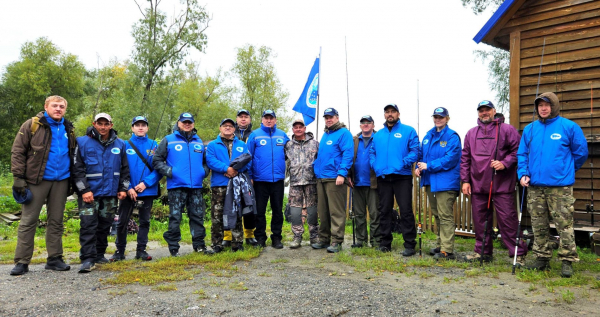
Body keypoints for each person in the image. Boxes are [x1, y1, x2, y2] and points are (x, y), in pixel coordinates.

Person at [517, 92, 588, 277]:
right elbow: (522, 154)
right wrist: (523, 173)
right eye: (540, 105)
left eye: (547, 105)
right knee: (538, 224)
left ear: (554, 106)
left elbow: (580, 153)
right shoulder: (530, 129)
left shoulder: (569, 127)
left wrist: (566, 171)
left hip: (560, 187)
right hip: (535, 187)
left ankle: (567, 260)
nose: (543, 108)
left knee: (564, 224)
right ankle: (542, 258)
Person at [9, 96, 76, 275]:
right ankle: (22, 261)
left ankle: (54, 258)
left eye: (62, 106)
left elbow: (73, 155)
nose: (58, 109)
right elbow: (17, 152)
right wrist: (18, 178)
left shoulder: (68, 128)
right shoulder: (32, 125)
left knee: (56, 221)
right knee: (28, 221)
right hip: (36, 180)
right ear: (46, 107)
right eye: (54, 106)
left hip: (61, 180)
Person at [460, 100, 528, 264]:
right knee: (480, 222)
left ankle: (518, 254)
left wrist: (504, 163)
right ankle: (482, 252)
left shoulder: (507, 130)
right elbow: (465, 159)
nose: (484, 113)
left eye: (487, 110)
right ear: (478, 113)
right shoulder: (471, 133)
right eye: (481, 111)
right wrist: (465, 181)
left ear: (494, 111)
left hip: (502, 185)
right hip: (478, 185)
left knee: (508, 221)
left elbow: (518, 151)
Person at [72, 113, 130, 273]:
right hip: (89, 194)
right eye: (100, 123)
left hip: (111, 194)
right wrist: (83, 190)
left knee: (105, 226)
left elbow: (125, 169)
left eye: (106, 124)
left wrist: (123, 189)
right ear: (94, 124)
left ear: (111, 125)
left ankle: (99, 254)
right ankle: (87, 259)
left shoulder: (120, 144)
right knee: (88, 225)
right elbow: (77, 169)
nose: (103, 127)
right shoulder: (82, 142)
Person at [152, 112, 211, 256]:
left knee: (197, 216)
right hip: (176, 186)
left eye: (189, 122)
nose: (187, 124)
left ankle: (199, 245)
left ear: (193, 124)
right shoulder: (168, 140)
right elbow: (157, 160)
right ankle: (173, 247)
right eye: (184, 122)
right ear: (178, 123)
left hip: (195, 186)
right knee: (175, 217)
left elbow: (206, 162)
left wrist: (203, 172)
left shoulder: (199, 142)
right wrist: (170, 172)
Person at [369, 104, 419, 256]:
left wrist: (403, 162)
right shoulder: (377, 135)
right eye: (387, 112)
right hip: (383, 177)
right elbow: (372, 152)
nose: (390, 114)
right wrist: (375, 165)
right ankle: (385, 243)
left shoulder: (408, 131)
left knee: (405, 210)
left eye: (393, 112)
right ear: (384, 115)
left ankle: (410, 244)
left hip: (402, 176)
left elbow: (415, 150)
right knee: (384, 210)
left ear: (398, 113)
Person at [110, 116, 161, 262]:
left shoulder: (154, 145)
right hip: (127, 191)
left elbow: (159, 167)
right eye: (137, 125)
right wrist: (129, 187)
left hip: (147, 190)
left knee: (145, 221)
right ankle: (119, 251)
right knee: (122, 221)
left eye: (143, 125)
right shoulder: (124, 145)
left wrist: (146, 183)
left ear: (147, 128)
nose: (140, 127)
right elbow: (119, 168)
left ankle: (141, 250)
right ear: (132, 128)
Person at [415, 107, 461, 260]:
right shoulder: (428, 136)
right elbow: (421, 155)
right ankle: (441, 244)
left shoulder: (452, 136)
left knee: (445, 215)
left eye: (441, 117)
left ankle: (447, 250)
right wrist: (418, 168)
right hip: (430, 181)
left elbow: (451, 158)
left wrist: (429, 166)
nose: (438, 119)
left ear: (447, 118)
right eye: (436, 117)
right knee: (437, 214)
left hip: (446, 182)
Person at [206, 118, 254, 253]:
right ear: (220, 128)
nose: (228, 128)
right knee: (217, 214)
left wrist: (236, 171)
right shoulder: (212, 145)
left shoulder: (242, 145)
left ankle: (237, 243)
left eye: (230, 126)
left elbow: (248, 161)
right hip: (219, 184)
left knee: (236, 213)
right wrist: (226, 169)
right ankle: (217, 244)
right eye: (225, 125)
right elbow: (210, 161)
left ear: (235, 129)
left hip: (236, 184)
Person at [312, 108, 353, 253]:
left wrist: (342, 173)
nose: (328, 119)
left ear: (337, 117)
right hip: (322, 178)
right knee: (323, 211)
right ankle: (324, 238)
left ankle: (337, 240)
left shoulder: (344, 133)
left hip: (334, 178)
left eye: (331, 117)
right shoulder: (326, 134)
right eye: (326, 117)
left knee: (336, 211)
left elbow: (348, 154)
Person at [247, 110, 290, 248]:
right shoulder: (255, 135)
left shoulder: (282, 135)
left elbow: (291, 153)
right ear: (262, 119)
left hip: (277, 180)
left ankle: (276, 238)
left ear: (275, 120)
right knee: (260, 211)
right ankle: (260, 238)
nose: (269, 120)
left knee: (277, 210)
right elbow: (248, 157)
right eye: (266, 118)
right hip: (260, 181)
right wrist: (250, 177)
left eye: (271, 118)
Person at [221, 109, 258, 247]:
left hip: (246, 176)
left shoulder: (254, 135)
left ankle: (250, 235)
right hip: (228, 176)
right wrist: (227, 170)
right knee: (229, 206)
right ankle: (227, 236)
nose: (243, 119)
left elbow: (251, 159)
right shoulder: (229, 134)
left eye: (246, 117)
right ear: (236, 119)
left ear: (249, 119)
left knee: (248, 206)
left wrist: (251, 176)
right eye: (240, 117)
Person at [285, 118, 319, 249]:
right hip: (295, 182)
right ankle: (297, 236)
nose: (298, 129)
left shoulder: (315, 144)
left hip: (311, 181)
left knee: (312, 210)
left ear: (305, 128)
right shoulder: (288, 145)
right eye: (295, 127)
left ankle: (314, 236)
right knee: (294, 211)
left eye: (301, 127)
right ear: (293, 130)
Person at [348, 115, 380, 248]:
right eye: (363, 122)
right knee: (359, 214)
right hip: (356, 183)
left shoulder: (379, 138)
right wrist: (348, 176)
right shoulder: (354, 140)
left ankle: (376, 241)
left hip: (373, 183)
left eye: (368, 122)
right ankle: (361, 240)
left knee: (375, 214)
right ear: (360, 125)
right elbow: (349, 157)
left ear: (373, 125)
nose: (365, 124)